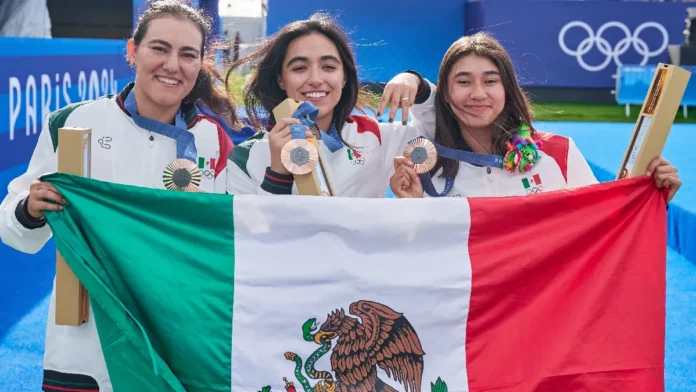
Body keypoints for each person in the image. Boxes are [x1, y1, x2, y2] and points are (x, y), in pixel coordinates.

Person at [0, 1, 238, 391]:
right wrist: (29, 210)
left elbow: (230, 237)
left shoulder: (213, 140)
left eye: (187, 54)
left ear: (199, 65)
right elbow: (14, 230)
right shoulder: (72, 123)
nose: (172, 65)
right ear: (133, 51)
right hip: (82, 340)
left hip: (174, 341)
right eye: (159, 48)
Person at [389, 32, 681, 200]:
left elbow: (602, 224)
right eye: (463, 82)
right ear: (446, 93)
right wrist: (412, 209)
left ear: (508, 89)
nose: (478, 94)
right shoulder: (425, 167)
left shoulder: (559, 154)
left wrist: (650, 200)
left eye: (491, 81)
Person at [224, 13, 437, 197]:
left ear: (344, 77)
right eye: (299, 68)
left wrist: (417, 83)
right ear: (281, 79)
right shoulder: (246, 156)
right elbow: (248, 235)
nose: (316, 79)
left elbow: (439, 129)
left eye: (328, 66)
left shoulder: (374, 137)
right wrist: (278, 174)